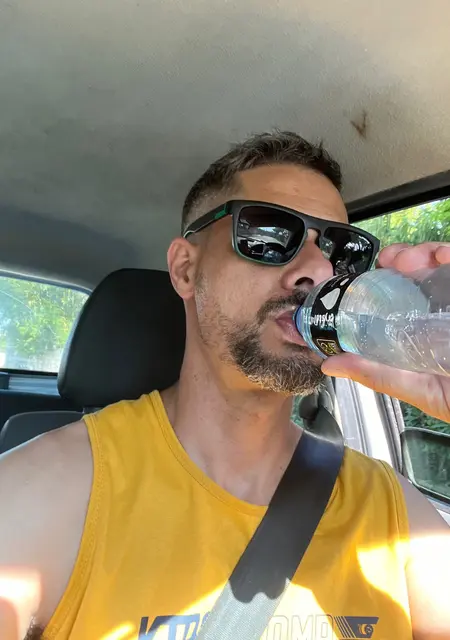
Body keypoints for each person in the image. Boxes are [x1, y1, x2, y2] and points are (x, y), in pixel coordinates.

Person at [1, 131, 449, 640]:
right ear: (185, 269)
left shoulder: (390, 509)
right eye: (269, 235)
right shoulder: (53, 491)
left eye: (342, 252)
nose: (319, 271)